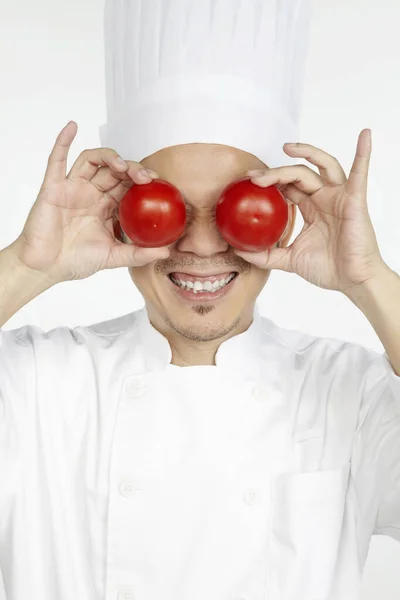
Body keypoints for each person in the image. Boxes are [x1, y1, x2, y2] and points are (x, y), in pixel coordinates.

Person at [1, 2, 399, 600]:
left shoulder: (352, 393)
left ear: (285, 217)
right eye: (165, 211)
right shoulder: (36, 386)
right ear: (119, 221)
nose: (203, 245)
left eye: (242, 212)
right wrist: (28, 264)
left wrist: (369, 277)